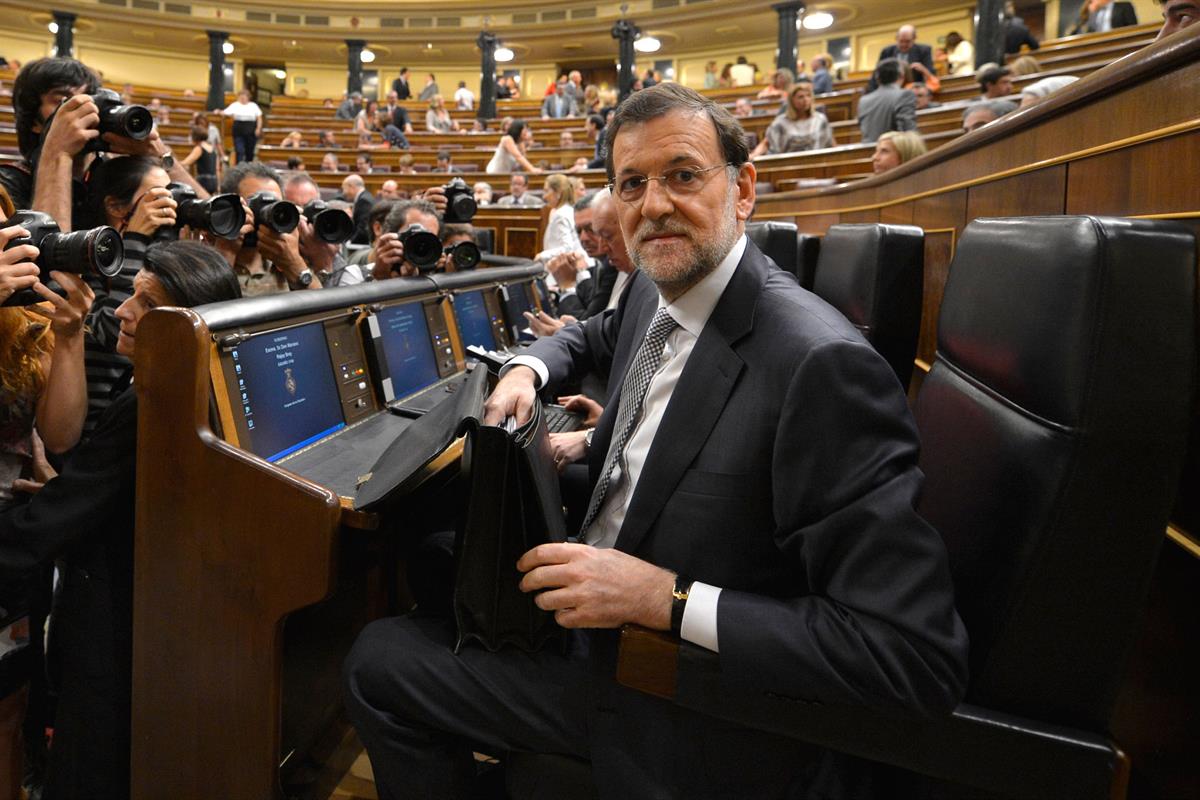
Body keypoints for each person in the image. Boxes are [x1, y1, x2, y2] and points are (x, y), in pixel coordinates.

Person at [343, 82, 968, 799]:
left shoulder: (819, 368)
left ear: (744, 190)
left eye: (682, 175)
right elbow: (587, 334)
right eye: (632, 183)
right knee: (435, 553)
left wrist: (662, 598)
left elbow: (911, 654)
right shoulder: (654, 287)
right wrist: (525, 369)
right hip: (614, 585)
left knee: (376, 659)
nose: (654, 204)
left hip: (678, 690)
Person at [2, 242, 239, 800]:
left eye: (146, 302)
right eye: (131, 294)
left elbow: (60, 514)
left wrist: (61, 505)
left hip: (111, 612)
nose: (123, 312)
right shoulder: (197, 375)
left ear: (188, 324)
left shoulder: (155, 397)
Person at [2, 57, 203, 226]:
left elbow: (219, 222)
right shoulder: (8, 183)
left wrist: (159, 153)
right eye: (63, 101)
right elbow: (41, 268)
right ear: (34, 122)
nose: (84, 109)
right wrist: (57, 152)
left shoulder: (115, 176)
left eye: (90, 99)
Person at [213, 161, 324, 295]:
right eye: (255, 203)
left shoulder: (293, 252)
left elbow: (321, 309)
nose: (268, 213)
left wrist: (294, 264)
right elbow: (202, 311)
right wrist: (225, 255)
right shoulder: (207, 255)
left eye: (274, 205)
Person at [284, 173, 365, 287]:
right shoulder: (277, 248)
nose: (304, 219)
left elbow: (340, 300)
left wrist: (324, 265)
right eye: (296, 209)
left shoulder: (328, 247)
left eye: (309, 207)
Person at [749, 80, 834, 160]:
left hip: (816, 162)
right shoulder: (781, 122)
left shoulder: (820, 120)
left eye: (808, 96)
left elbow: (830, 144)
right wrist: (753, 155)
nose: (805, 100)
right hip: (788, 165)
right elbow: (766, 143)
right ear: (792, 100)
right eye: (800, 97)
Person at [371, 198, 440, 280]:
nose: (421, 246)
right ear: (392, 236)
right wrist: (380, 277)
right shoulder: (356, 274)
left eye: (429, 239)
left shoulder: (441, 276)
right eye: (414, 237)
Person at [857, 58, 917, 143]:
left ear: (877, 79)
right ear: (901, 76)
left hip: (869, 152)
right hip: (893, 151)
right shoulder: (905, 95)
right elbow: (908, 132)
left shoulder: (863, 100)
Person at [540, 173, 582, 258]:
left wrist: (542, 255)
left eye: (547, 191)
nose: (544, 197)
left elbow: (568, 248)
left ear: (558, 192)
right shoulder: (568, 210)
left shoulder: (561, 215)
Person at [222, 89, 263, 164]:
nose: (242, 99)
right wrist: (218, 112)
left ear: (248, 97)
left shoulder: (253, 106)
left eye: (244, 97)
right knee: (239, 150)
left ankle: (248, 166)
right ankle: (239, 166)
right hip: (238, 129)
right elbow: (225, 113)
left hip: (250, 130)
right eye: (241, 97)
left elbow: (259, 118)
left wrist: (258, 128)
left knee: (249, 151)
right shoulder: (235, 105)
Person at [179, 125, 220, 193]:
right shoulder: (213, 149)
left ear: (195, 136)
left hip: (204, 182)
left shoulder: (199, 148)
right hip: (214, 181)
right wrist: (218, 186)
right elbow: (217, 169)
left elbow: (186, 162)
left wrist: (174, 162)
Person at [339, 173, 374, 245]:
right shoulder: (364, 197)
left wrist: (350, 242)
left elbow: (363, 228)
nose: (343, 193)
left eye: (344, 189)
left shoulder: (364, 201)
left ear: (351, 186)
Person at [1071, 0, 1138, 33]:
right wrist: (1090, 13)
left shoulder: (1124, 6)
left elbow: (1133, 29)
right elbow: (1085, 31)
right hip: (1097, 46)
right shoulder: (1093, 12)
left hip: (1118, 43)